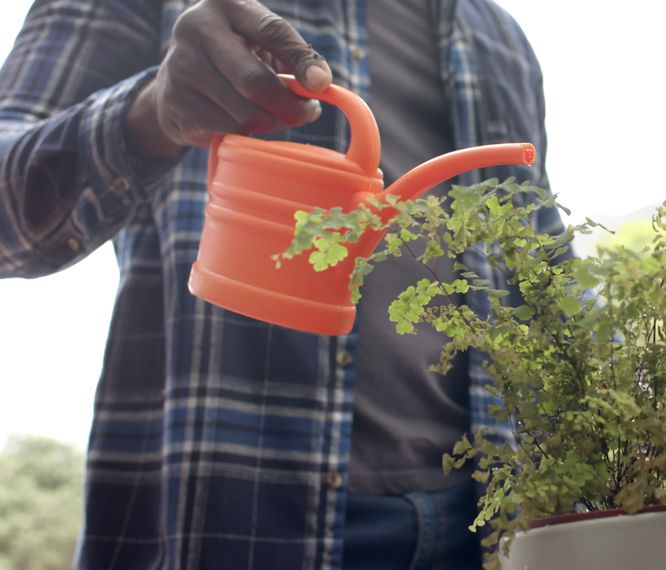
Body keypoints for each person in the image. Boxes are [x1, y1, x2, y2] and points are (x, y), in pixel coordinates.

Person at [0, 0, 562, 568]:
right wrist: (151, 114)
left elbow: (545, 271)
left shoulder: (496, 36)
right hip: (232, 516)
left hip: (490, 526)